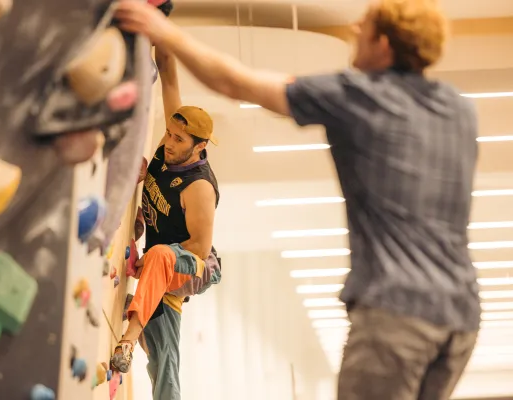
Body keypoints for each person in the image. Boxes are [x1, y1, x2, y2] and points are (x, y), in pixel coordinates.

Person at [115, 1, 481, 399]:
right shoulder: (459, 108)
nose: (355, 29)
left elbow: (236, 83)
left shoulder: (359, 96)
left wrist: (162, 30)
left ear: (386, 45)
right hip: (460, 317)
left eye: (367, 26)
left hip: (396, 312)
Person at [110, 43, 222, 400]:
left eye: (178, 141)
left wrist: (152, 264)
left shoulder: (200, 188)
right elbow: (168, 71)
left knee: (159, 255)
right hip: (164, 263)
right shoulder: (174, 137)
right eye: (169, 135)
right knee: (164, 362)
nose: (169, 143)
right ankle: (144, 336)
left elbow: (200, 250)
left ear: (200, 147)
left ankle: (127, 341)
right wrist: (156, 25)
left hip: (197, 265)